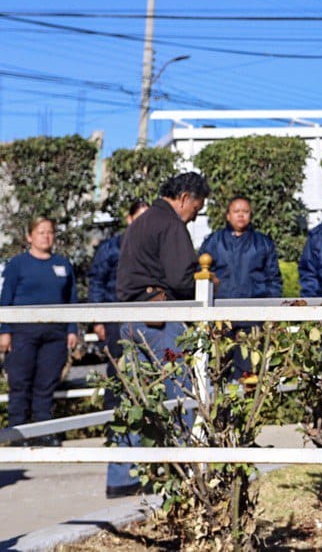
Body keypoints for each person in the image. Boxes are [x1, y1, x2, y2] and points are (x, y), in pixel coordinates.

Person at [113, 171, 211, 498]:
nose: (196, 214)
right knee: (178, 391)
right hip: (159, 318)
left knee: (135, 397)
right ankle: (181, 471)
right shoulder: (170, 224)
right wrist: (208, 282)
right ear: (185, 198)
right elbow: (182, 277)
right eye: (197, 206)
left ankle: (123, 477)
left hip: (130, 317)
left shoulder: (141, 222)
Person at [0, 218, 79, 446]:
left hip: (55, 334)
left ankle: (44, 431)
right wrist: (4, 330)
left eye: (50, 232)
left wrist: (72, 329)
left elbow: (71, 300)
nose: (46, 236)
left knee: (46, 385)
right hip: (22, 333)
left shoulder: (63, 265)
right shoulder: (17, 264)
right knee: (20, 384)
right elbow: (6, 299)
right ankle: (18, 434)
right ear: (29, 237)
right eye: (41, 232)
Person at [88, 198, 148, 494]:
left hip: (148, 324)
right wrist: (98, 317)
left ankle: (145, 470)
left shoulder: (154, 246)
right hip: (115, 322)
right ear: (128, 218)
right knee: (119, 390)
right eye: (139, 217)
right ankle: (120, 473)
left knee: (149, 392)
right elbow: (97, 282)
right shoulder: (111, 247)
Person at [198, 195, 283, 377]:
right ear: (228, 215)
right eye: (236, 212)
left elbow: (273, 279)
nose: (241, 216)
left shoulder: (263, 243)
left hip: (252, 317)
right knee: (219, 371)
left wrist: (272, 312)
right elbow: (201, 274)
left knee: (250, 372)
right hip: (221, 318)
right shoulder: (213, 242)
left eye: (245, 212)